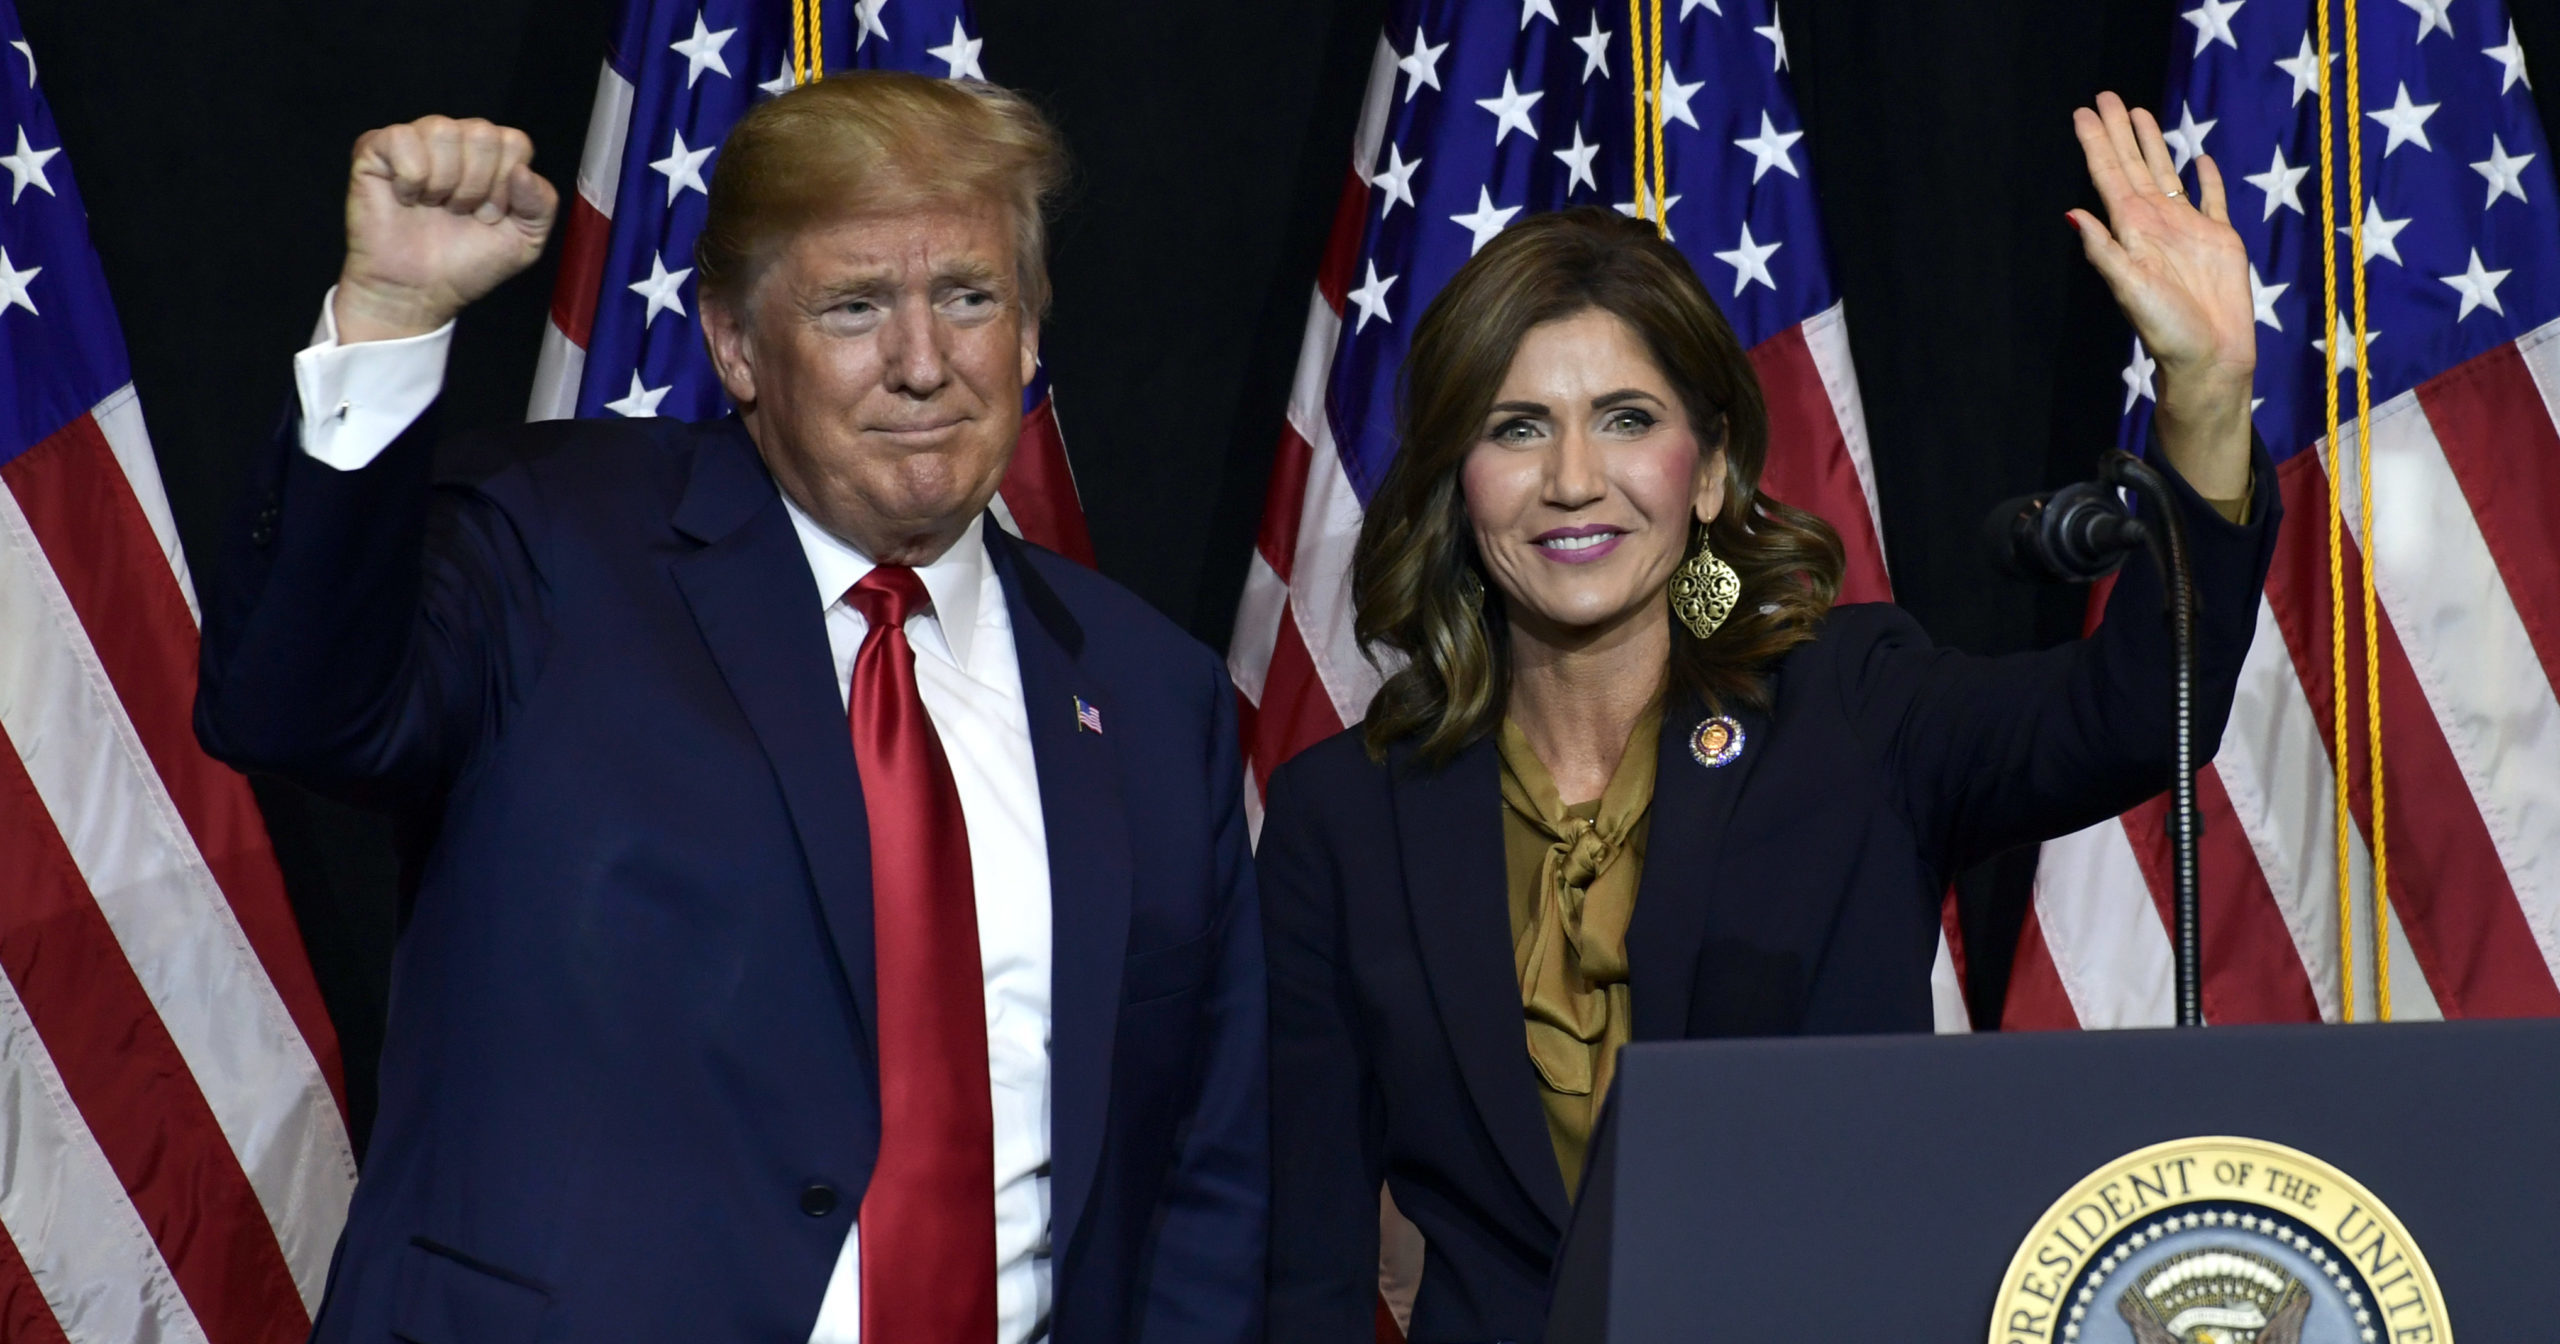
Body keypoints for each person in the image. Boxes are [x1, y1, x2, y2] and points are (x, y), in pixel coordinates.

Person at [194, 73, 1264, 1343]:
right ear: (736, 345)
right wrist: (387, 323)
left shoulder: (1152, 696)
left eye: (969, 298)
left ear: (1030, 334)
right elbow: (291, 709)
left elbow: (1201, 1171)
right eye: (855, 307)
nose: (923, 364)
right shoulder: (550, 547)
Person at [1256, 93, 2275, 1342]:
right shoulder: (1339, 816)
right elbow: (1300, 1259)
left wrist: (2208, 401)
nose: (1574, 478)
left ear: (1715, 467)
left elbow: (2129, 714)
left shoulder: (1851, 710)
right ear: (1460, 485)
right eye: (1517, 429)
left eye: (1627, 420)